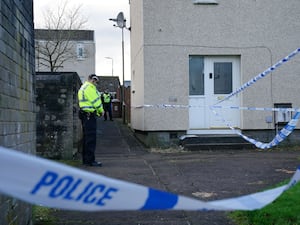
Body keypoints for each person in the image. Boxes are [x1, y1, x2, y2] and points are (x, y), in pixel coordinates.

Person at [78, 74, 104, 167]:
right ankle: (90, 161)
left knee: (86, 138)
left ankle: (86, 160)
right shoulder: (89, 87)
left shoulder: (84, 87)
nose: (96, 84)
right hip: (89, 115)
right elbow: (96, 102)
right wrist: (101, 111)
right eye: (95, 81)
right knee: (90, 139)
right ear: (92, 80)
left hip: (85, 114)